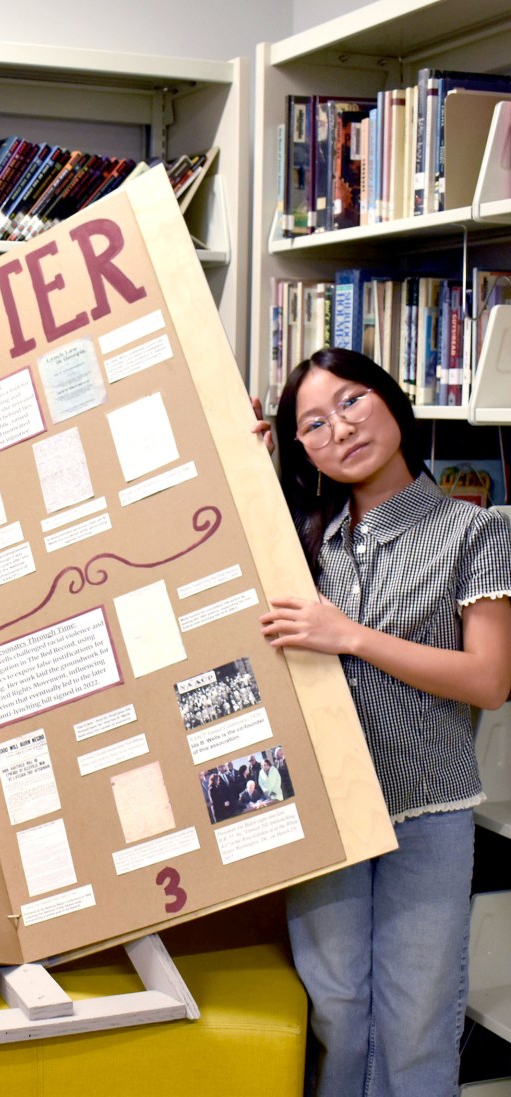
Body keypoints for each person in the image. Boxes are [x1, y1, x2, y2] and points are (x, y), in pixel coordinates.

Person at [255, 347, 511, 1097]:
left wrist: (352, 636)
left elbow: (490, 680)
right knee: (336, 1005)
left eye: (352, 401)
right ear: (300, 447)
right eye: (313, 423)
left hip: (427, 807)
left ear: (390, 398)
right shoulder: (302, 539)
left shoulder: (476, 530)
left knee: (417, 1016)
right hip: (326, 807)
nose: (340, 428)